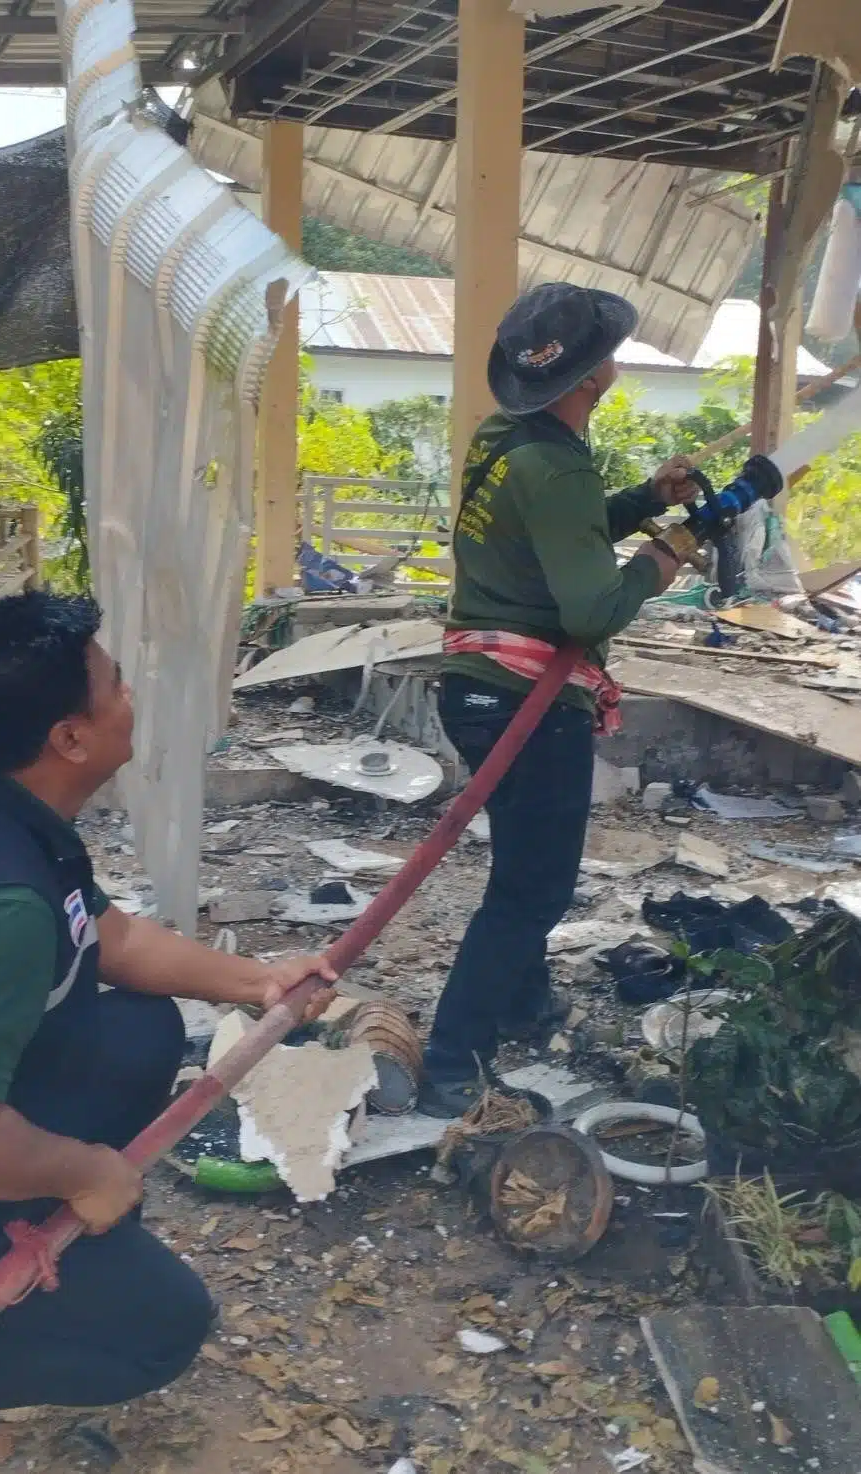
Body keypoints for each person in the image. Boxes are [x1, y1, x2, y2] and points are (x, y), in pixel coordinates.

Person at [0, 591, 337, 1474]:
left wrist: (258, 980)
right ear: (70, 739)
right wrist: (89, 1170)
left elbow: (107, 935)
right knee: (158, 1333)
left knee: (140, 1032)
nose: (131, 698)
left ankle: (47, 1203)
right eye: (116, 687)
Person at [418, 282, 698, 1119]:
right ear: (591, 375)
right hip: (529, 708)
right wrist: (666, 556)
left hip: (476, 688)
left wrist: (648, 500)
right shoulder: (560, 465)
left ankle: (522, 1003)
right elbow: (594, 610)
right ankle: (449, 1064)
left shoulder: (507, 440)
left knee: (522, 863)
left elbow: (559, 530)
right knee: (532, 891)